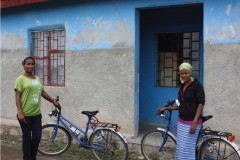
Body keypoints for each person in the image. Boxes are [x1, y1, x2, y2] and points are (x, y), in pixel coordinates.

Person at [15, 56, 61, 160]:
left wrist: (53, 101)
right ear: (24, 65)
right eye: (28, 64)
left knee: (37, 137)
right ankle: (28, 158)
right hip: (25, 114)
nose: (30, 66)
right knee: (27, 138)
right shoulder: (20, 79)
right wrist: (20, 113)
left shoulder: (37, 78)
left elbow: (42, 92)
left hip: (36, 114)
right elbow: (17, 97)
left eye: (32, 64)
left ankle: (32, 157)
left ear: (34, 65)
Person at [157, 62, 205, 160]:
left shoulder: (197, 85)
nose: (183, 75)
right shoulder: (182, 87)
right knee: (180, 148)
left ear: (190, 73)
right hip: (182, 122)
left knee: (187, 150)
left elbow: (201, 103)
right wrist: (166, 108)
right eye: (181, 73)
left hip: (192, 122)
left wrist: (195, 123)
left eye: (186, 73)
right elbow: (181, 106)